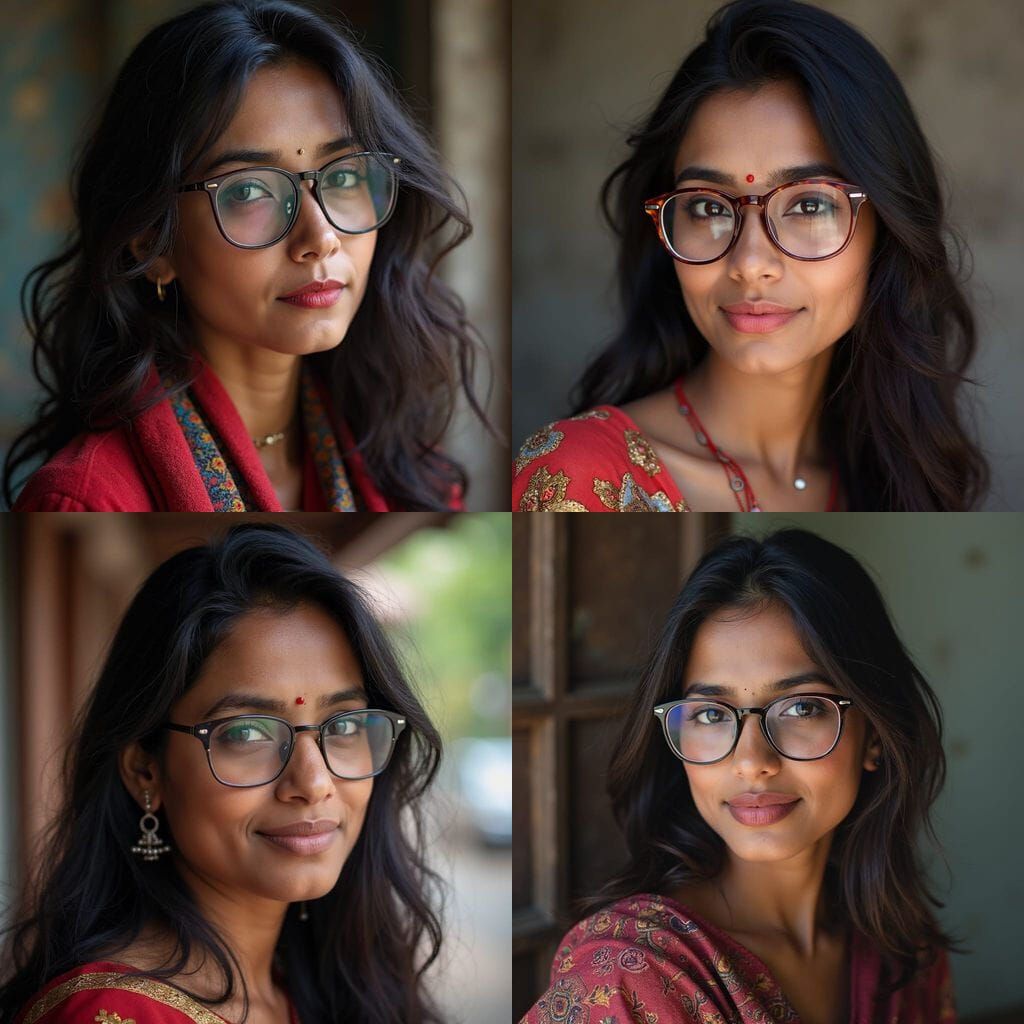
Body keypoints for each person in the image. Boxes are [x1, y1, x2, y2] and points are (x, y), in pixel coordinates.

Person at [5, 0, 486, 511]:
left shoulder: (404, 468)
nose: (320, 237)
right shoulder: (88, 499)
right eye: (248, 191)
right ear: (151, 241)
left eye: (343, 176)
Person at [513, 0, 988, 511]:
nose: (749, 262)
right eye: (706, 207)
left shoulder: (898, 479)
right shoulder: (577, 474)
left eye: (808, 204)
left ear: (887, 229)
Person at [0, 523, 444, 1024]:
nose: (314, 783)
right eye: (247, 733)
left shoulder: (322, 988)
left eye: (344, 725)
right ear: (146, 772)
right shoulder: (110, 1014)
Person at [521, 529, 958, 1023]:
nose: (752, 761)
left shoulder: (905, 953)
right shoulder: (632, 978)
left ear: (875, 735)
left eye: (801, 707)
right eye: (711, 714)